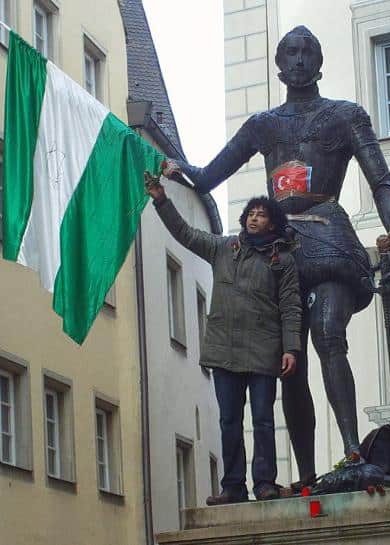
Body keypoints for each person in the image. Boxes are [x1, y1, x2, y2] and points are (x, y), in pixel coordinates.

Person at [161, 26, 390, 490]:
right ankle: (308, 474)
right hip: (281, 250)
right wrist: (172, 170)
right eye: (290, 52)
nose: (298, 60)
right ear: (279, 65)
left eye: (306, 52)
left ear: (319, 63)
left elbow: (382, 181)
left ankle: (353, 450)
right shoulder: (263, 124)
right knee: (289, 362)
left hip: (329, 237)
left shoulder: (346, 115)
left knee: (328, 334)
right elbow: (209, 175)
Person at [146, 175, 302, 504]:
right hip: (224, 350)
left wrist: (291, 348)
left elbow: (291, 306)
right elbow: (186, 234)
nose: (254, 217)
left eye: (262, 214)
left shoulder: (282, 261)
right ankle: (232, 486)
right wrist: (161, 199)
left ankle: (264, 483)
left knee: (262, 420)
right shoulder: (224, 248)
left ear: (272, 223)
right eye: (251, 213)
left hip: (263, 351)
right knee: (229, 420)